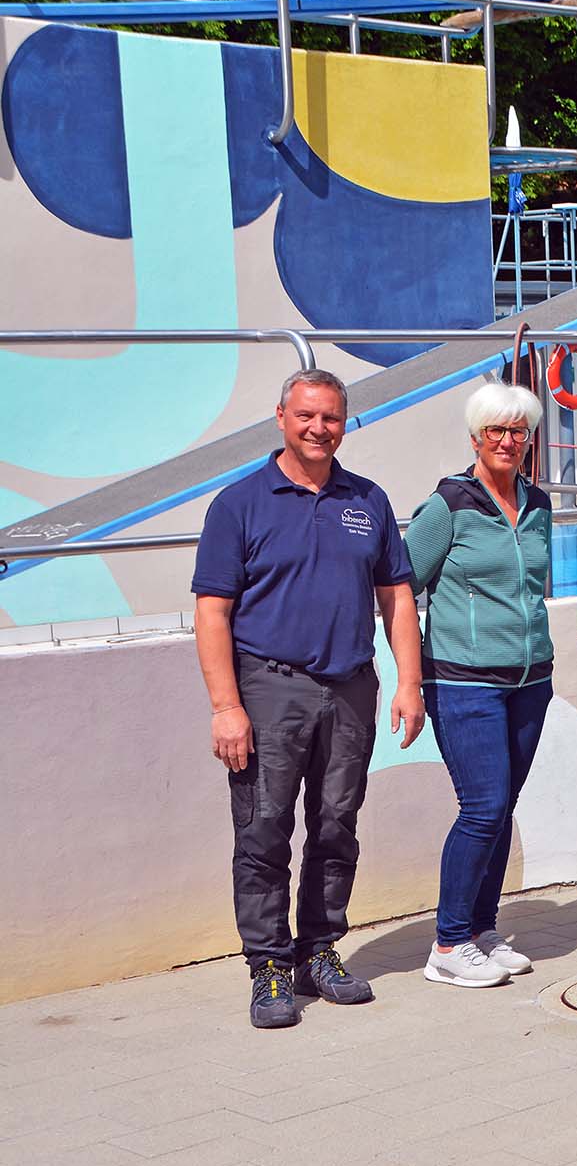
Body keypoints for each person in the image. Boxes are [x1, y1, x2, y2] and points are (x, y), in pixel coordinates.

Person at [192, 369, 425, 1029]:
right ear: (281, 417)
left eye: (331, 417)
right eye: (306, 415)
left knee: (335, 826)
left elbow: (396, 597)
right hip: (269, 688)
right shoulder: (239, 503)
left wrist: (409, 683)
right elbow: (212, 612)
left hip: (350, 687)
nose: (319, 428)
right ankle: (268, 965)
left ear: (344, 423)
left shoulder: (367, 500)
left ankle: (318, 951)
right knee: (263, 830)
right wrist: (226, 706)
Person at [403, 383, 555, 988]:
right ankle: (447, 943)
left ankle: (480, 930)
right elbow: (401, 587)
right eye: (496, 430)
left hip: (530, 680)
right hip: (463, 682)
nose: (508, 441)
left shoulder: (538, 502)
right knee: (483, 808)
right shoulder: (447, 504)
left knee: (501, 809)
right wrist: (408, 680)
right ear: (475, 437)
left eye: (519, 431)